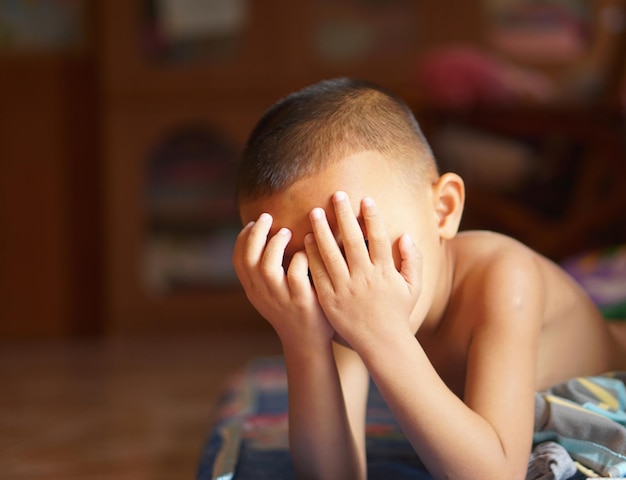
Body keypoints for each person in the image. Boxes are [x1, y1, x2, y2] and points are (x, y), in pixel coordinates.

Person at [231, 77, 626, 480]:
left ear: (443, 209)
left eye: (359, 244)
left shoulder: (503, 278)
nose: (339, 281)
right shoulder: (345, 297)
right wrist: (304, 343)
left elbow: (495, 474)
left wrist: (383, 336)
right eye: (298, 268)